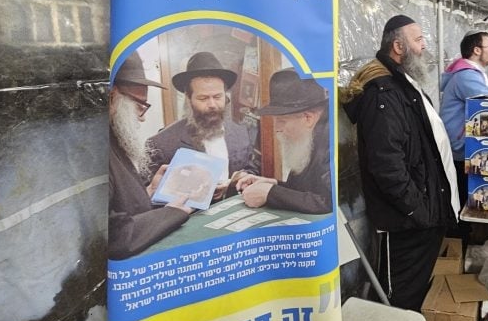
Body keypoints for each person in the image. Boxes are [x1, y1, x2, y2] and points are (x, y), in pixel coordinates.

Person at [341, 14, 459, 321]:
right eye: (418, 40)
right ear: (398, 46)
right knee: (401, 287)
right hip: (406, 217)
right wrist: (416, 209)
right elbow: (386, 165)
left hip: (422, 209)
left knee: (415, 281)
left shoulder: (400, 81)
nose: (424, 46)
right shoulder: (383, 92)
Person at [108, 51, 193, 260]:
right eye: (140, 106)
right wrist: (171, 212)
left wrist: (149, 193)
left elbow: (121, 207)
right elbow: (114, 235)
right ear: (112, 97)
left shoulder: (114, 140)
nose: (142, 118)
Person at [147, 52, 259, 192]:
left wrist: (241, 178)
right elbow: (148, 194)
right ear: (189, 99)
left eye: (217, 97)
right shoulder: (161, 144)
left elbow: (251, 170)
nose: (212, 104)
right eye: (203, 98)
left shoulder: (241, 133)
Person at [235, 69, 331, 214]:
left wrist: (271, 194)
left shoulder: (332, 141)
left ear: (308, 118)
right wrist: (273, 185)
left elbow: (329, 203)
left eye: (282, 121)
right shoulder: (311, 135)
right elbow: (306, 190)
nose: (277, 129)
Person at [440, 31, 488, 223]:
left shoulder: (475, 73)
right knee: (463, 201)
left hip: (465, 146)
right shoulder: (466, 76)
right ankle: (462, 235)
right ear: (477, 50)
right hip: (460, 147)